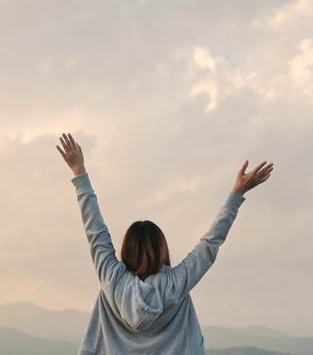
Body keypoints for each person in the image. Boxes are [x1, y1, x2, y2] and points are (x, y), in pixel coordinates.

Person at [56, 133, 273, 355]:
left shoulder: (111, 278)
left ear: (126, 250)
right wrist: (237, 193)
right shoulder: (176, 284)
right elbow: (210, 244)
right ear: (162, 249)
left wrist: (79, 171)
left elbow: (95, 231)